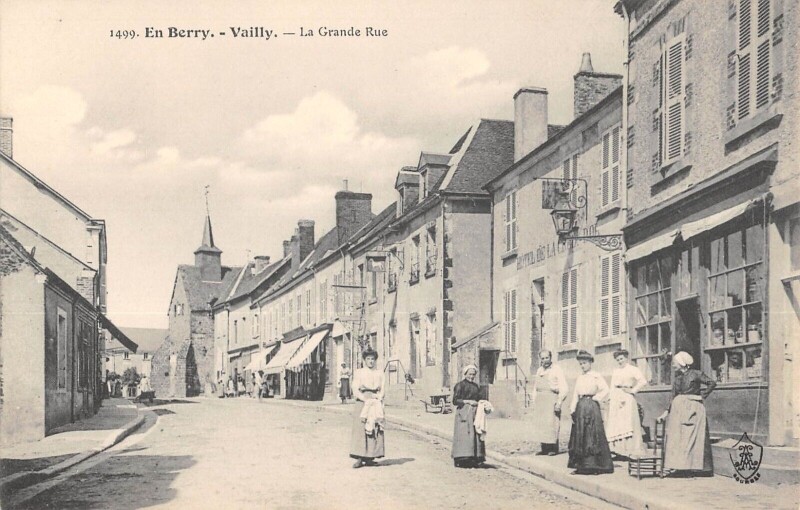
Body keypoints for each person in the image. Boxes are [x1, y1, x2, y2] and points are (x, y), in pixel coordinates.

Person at [657, 351, 716, 477]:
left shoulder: (696, 374)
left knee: (691, 438)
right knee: (678, 438)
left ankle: (690, 467)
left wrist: (701, 396)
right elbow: (673, 396)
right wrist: (666, 412)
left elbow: (712, 383)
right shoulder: (677, 379)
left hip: (693, 409)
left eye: (675, 363)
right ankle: (680, 467)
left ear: (682, 363)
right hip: (677, 410)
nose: (673, 365)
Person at [568, 350, 614, 475]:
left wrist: (596, 398)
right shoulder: (580, 377)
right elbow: (575, 394)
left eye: (584, 363)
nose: (582, 366)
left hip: (592, 407)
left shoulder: (596, 376)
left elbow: (605, 390)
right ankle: (581, 466)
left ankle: (596, 466)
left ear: (590, 363)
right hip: (581, 407)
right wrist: (572, 408)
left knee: (592, 435)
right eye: (581, 364)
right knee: (580, 435)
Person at [606, 349, 648, 458]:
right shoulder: (616, 371)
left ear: (626, 358)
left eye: (621, 359)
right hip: (616, 397)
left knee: (627, 422)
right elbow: (612, 386)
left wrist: (633, 390)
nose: (620, 361)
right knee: (617, 423)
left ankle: (630, 450)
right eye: (618, 360)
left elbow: (643, 381)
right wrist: (610, 398)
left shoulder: (633, 369)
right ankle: (618, 450)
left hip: (627, 397)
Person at [350, 348, 385, 468]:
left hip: (375, 400)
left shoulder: (380, 373)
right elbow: (355, 388)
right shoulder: (359, 372)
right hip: (363, 401)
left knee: (375, 427)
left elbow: (383, 388)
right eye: (368, 359)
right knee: (361, 427)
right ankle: (359, 457)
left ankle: (370, 457)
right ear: (364, 360)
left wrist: (379, 398)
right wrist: (364, 398)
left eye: (373, 359)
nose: (371, 361)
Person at [531, 350, 568, 455]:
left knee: (552, 424)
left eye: (547, 358)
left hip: (551, 399)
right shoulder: (539, 370)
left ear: (551, 358)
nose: (545, 360)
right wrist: (534, 399)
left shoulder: (557, 369)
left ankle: (553, 449)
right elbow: (535, 387)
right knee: (541, 424)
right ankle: (544, 449)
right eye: (542, 358)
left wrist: (559, 402)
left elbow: (564, 387)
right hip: (541, 401)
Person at [451, 365, 486, 468]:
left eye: (473, 374)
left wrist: (482, 403)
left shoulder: (476, 386)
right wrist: (467, 401)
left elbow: (479, 398)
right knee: (464, 434)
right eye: (470, 374)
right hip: (463, 413)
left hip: (475, 413)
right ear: (465, 374)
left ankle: (475, 458)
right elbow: (455, 401)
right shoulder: (459, 385)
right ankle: (462, 458)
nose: (471, 376)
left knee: (475, 433)